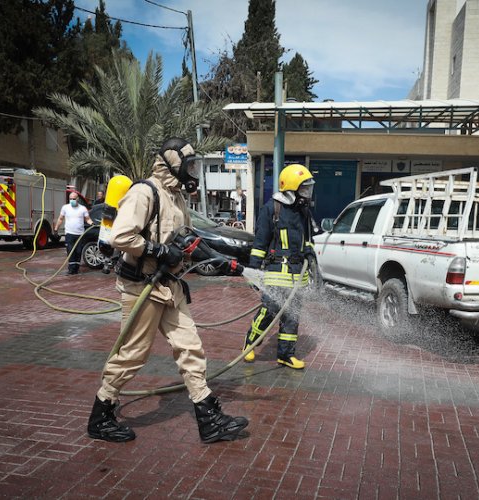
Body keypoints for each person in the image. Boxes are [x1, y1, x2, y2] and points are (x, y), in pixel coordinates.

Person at [87, 137, 248, 444]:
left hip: (169, 287)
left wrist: (225, 262)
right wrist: (159, 251)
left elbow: (187, 239)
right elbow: (121, 236)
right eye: (189, 166)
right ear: (172, 165)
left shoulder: (176, 198)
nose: (193, 172)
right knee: (132, 355)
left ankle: (209, 419)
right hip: (142, 288)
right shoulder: (144, 193)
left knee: (191, 348)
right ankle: (101, 415)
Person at [242, 164, 316, 370]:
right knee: (269, 311)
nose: (308, 193)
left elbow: (308, 240)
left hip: (297, 275)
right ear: (292, 188)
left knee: (292, 317)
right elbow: (260, 243)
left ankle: (286, 355)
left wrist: (311, 258)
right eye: (304, 188)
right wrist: (254, 271)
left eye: (309, 188)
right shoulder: (272, 208)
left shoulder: (304, 211)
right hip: (276, 272)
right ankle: (250, 343)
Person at [53, 192, 92, 275]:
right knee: (70, 251)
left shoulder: (83, 209)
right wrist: (56, 229)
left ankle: (76, 269)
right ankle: (71, 269)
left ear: (77, 199)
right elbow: (60, 218)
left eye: (74, 199)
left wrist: (92, 223)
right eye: (70, 199)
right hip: (69, 233)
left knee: (78, 251)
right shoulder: (65, 208)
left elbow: (87, 219)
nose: (72, 200)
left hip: (80, 234)